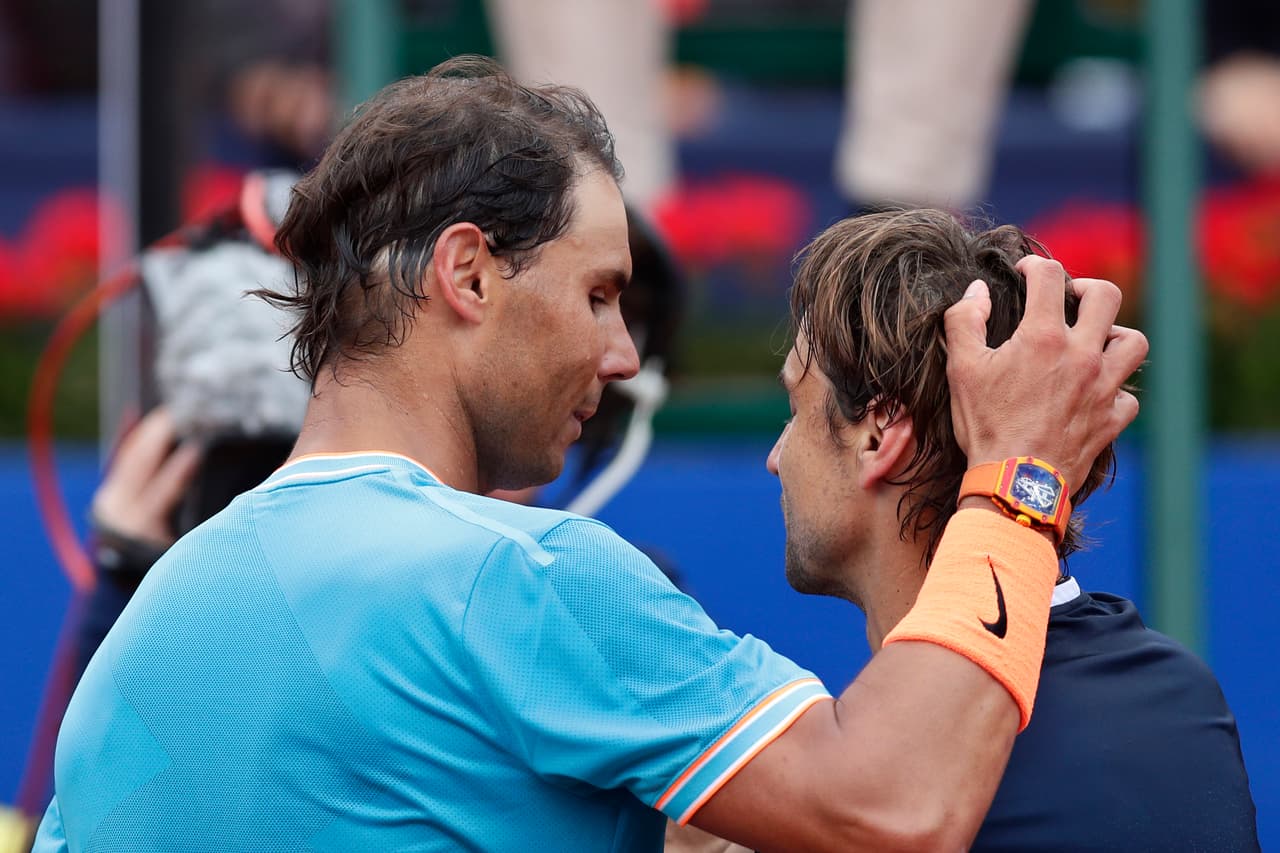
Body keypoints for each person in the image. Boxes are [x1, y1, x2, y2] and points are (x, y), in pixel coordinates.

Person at [33, 56, 1145, 852]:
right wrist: (1017, 479)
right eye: (598, 294)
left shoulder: (147, 624)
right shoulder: (520, 577)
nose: (620, 354)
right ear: (466, 275)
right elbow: (892, 809)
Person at [757, 209, 1253, 850]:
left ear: (879, 435)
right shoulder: (1177, 695)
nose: (776, 455)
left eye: (795, 409)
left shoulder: (910, 771)